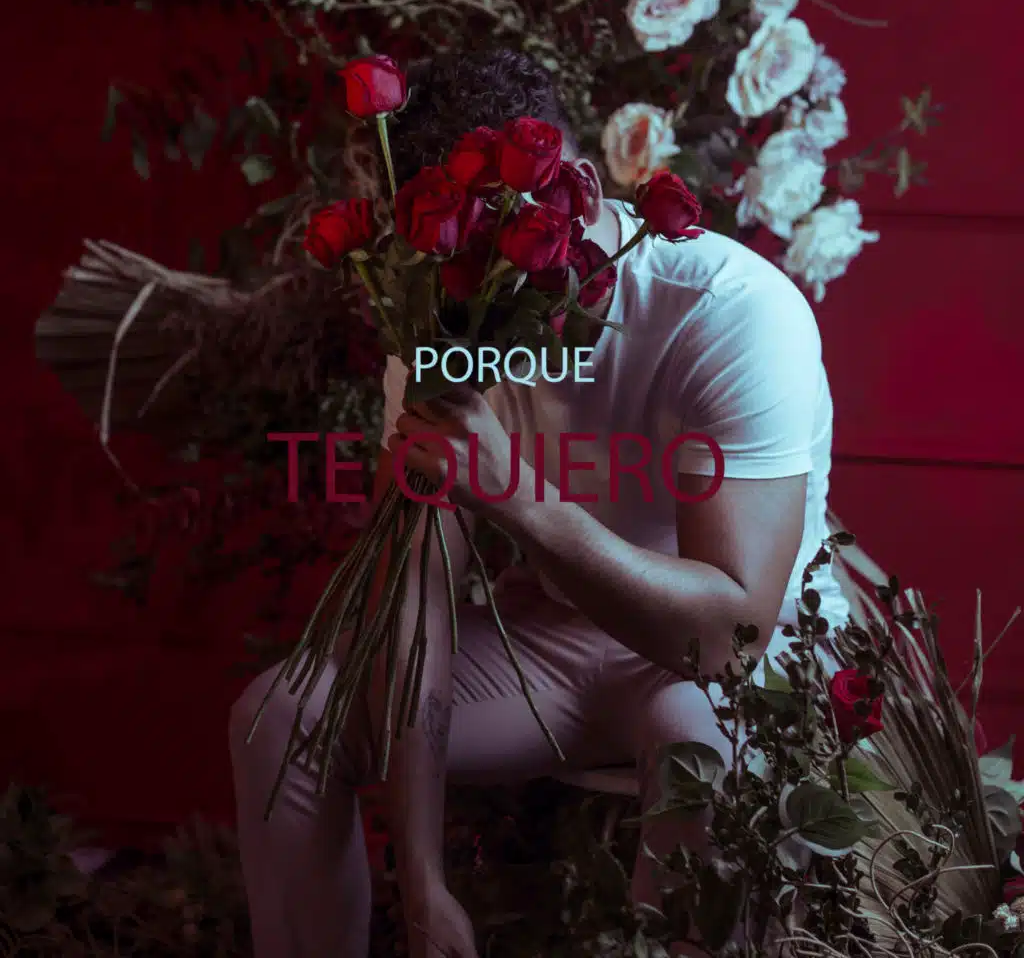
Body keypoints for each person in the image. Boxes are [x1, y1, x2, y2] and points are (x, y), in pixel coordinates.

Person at [229, 48, 850, 958]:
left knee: (696, 749)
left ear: (582, 193)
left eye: (502, 250)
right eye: (455, 257)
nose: (481, 288)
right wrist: (423, 881)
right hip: (562, 642)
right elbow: (414, 597)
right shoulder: (442, 313)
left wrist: (517, 499)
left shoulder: (731, 310)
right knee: (281, 719)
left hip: (733, 661)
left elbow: (733, 637)